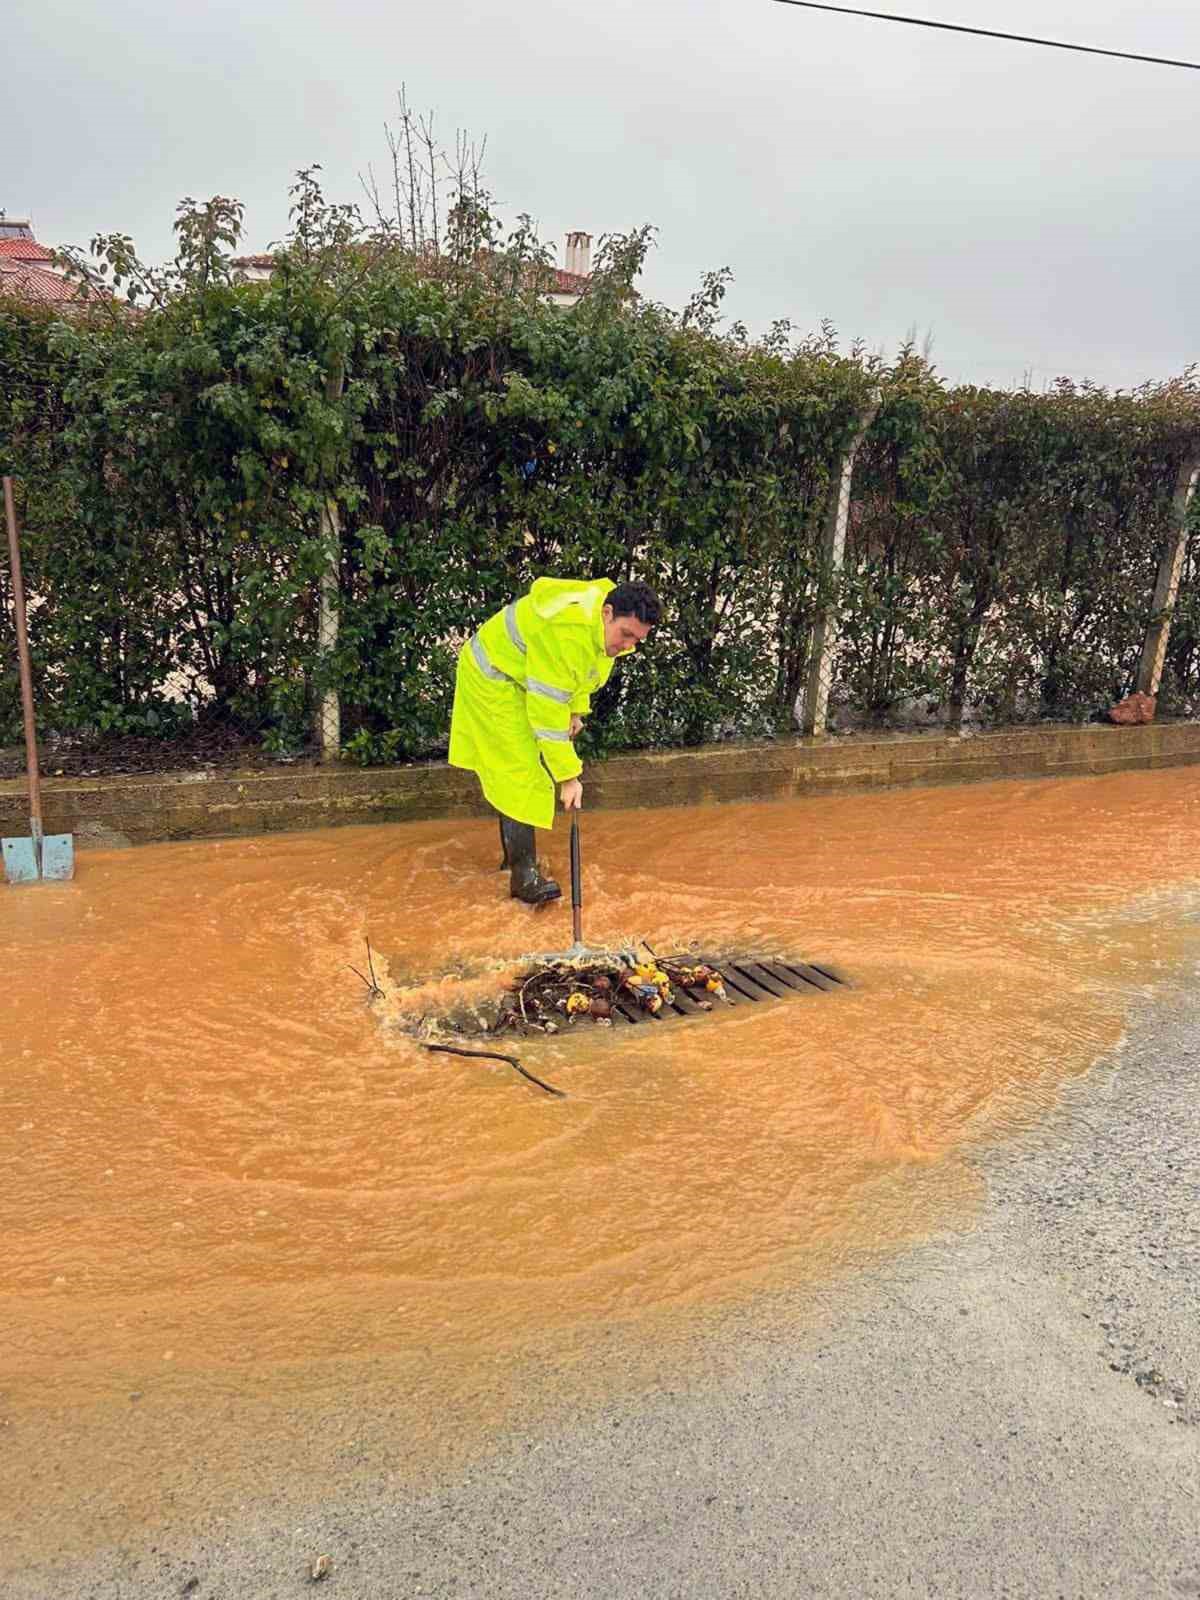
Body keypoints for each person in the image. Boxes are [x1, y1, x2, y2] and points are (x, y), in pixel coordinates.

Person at [449, 577, 662, 904]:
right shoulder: (568, 632)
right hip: (494, 677)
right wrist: (568, 777)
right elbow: (547, 715)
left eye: (638, 640)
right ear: (607, 613)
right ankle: (524, 877)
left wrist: (576, 710)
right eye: (626, 635)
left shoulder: (599, 627)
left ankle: (514, 857)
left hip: (522, 678)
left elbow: (582, 672)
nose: (628, 646)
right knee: (521, 772)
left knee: (519, 769)